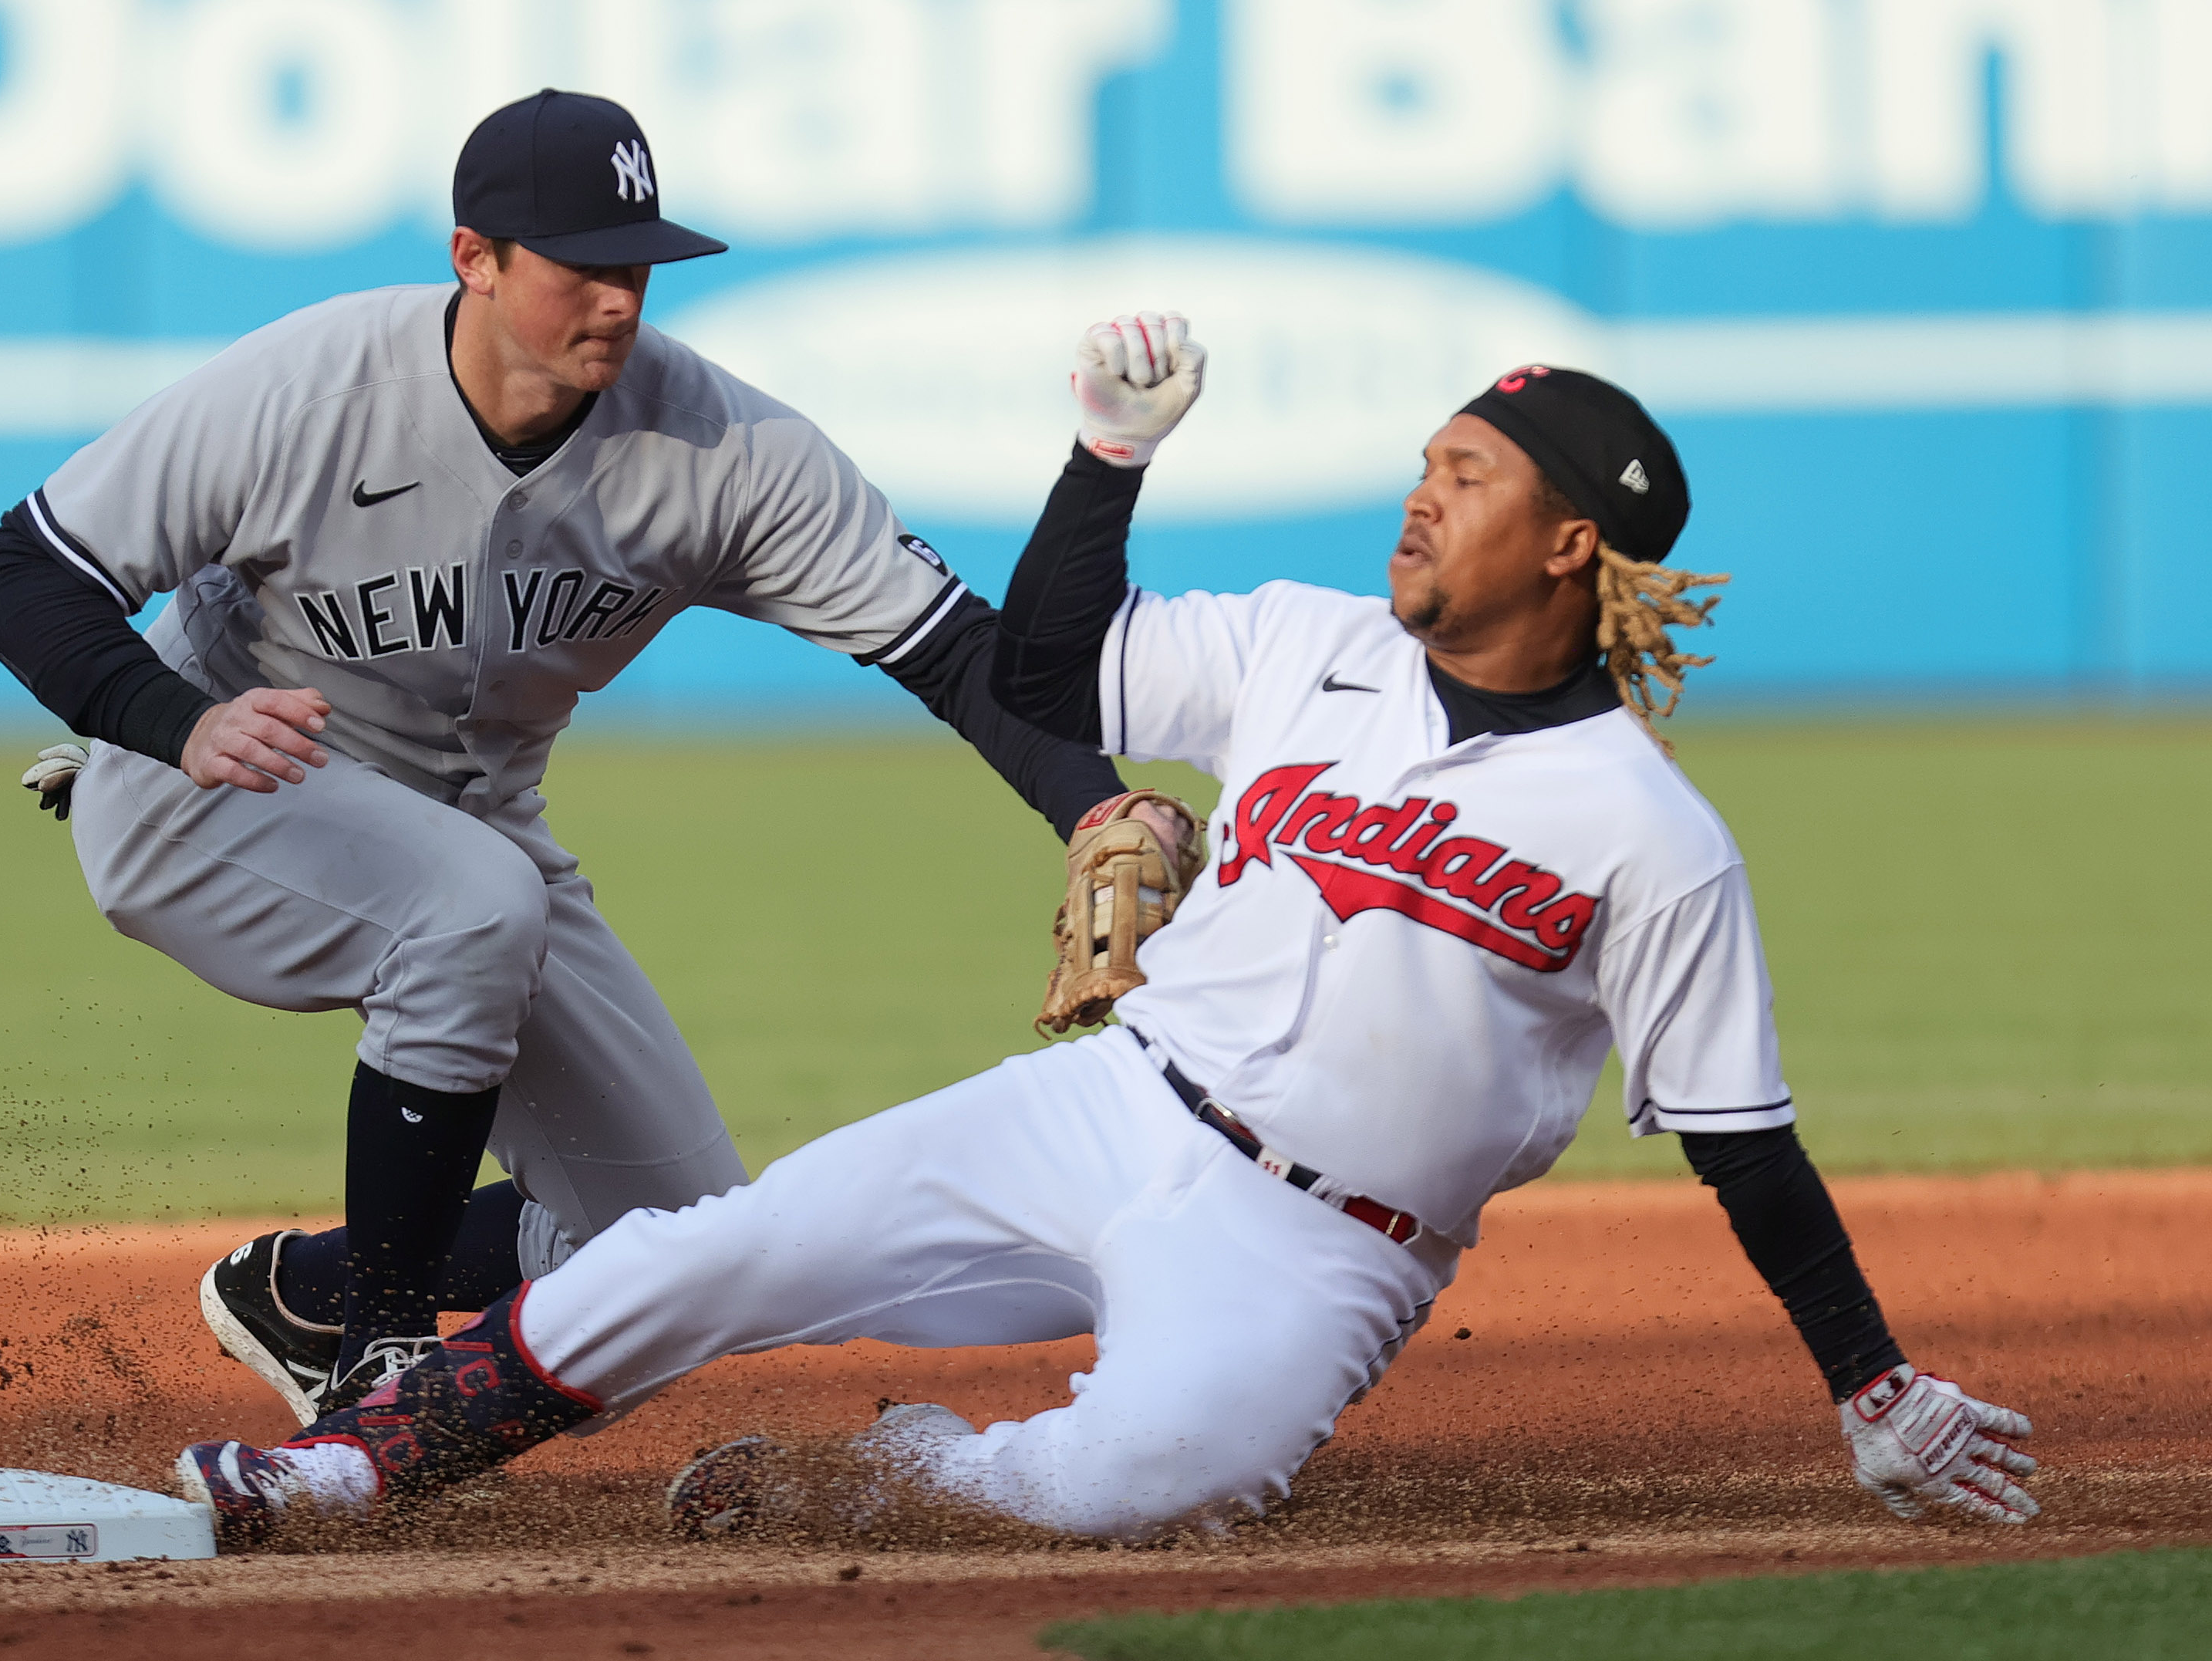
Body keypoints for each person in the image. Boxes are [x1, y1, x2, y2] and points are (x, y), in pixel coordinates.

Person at [170, 317, 2039, 1544]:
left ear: (1568, 550)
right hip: (1109, 1105)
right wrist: (1104, 462)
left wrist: (1866, 1383)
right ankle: (351, 1460)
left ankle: (900, 1462)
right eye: (1426, 457)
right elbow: (1048, 663)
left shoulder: (1649, 834)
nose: (1420, 490)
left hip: (1322, 1244)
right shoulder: (1312, 641)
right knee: (717, 1246)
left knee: (1139, 1475)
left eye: (1465, 478)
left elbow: (1739, 1139)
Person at [0, 90, 1134, 1422]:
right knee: (470, 905)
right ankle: (385, 1356)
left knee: (686, 1250)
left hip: (470, 827)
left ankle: (314, 1290)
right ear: (476, 259)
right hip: (210, 788)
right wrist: (173, 721)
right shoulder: (310, 390)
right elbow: (17, 575)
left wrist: (1092, 808)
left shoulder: (718, 448)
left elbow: (957, 650)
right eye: (580, 266)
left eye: (635, 264)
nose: (619, 302)